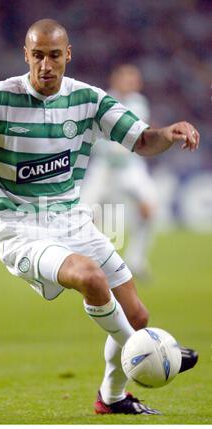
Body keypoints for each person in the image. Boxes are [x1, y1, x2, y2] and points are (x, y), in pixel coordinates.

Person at [0, 19, 199, 415]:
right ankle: (153, 351)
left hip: (72, 221)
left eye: (54, 55)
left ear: (67, 55)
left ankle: (112, 397)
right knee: (91, 278)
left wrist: (171, 132)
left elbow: (143, 140)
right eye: (38, 55)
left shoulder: (88, 100)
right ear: (26, 55)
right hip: (20, 229)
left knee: (137, 312)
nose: (46, 64)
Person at [81, 64, 157, 279]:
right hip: (104, 166)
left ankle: (136, 260)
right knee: (85, 215)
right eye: (128, 78)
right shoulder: (102, 101)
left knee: (149, 207)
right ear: (116, 80)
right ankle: (89, 260)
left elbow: (136, 135)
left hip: (130, 167)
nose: (132, 83)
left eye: (135, 79)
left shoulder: (139, 103)